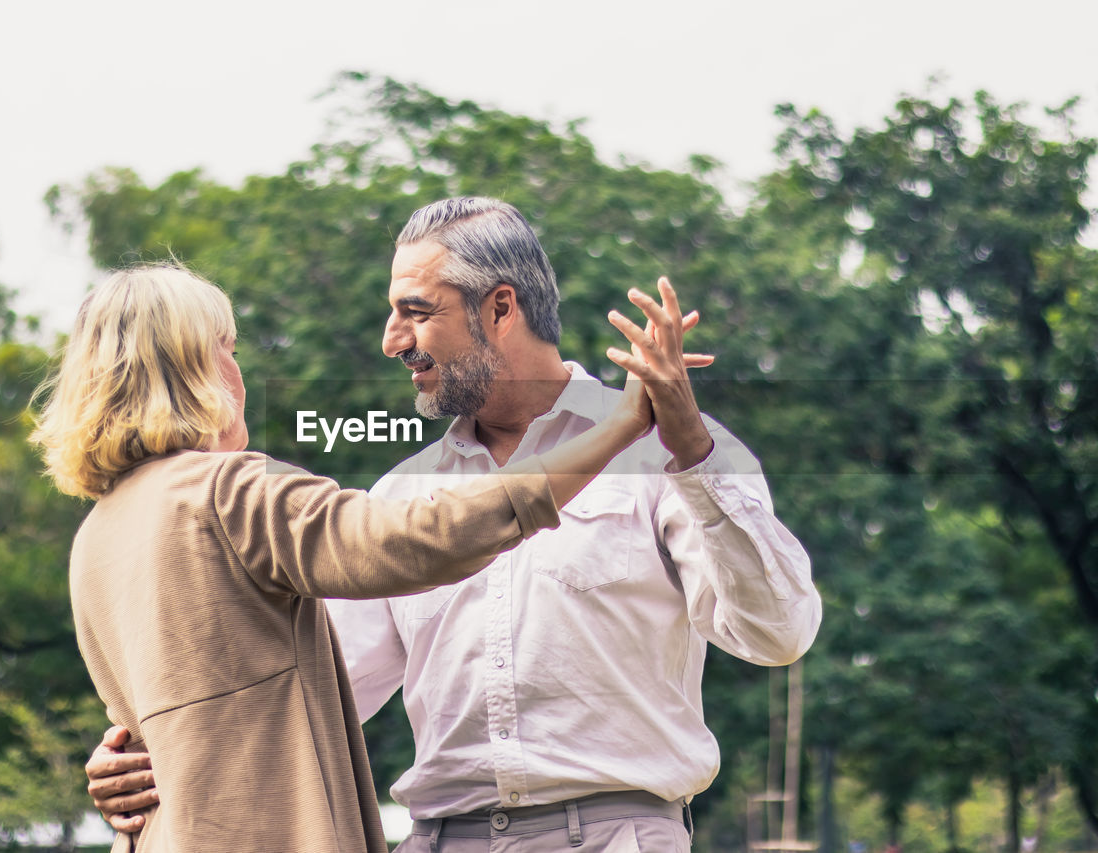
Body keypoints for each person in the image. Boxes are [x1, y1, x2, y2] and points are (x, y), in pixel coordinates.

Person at [87, 198, 822, 852]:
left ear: (499, 309)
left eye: (415, 310)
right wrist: (148, 747)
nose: (390, 339)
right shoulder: (401, 497)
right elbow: (308, 682)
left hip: (617, 835)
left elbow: (777, 632)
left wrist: (690, 449)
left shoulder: (673, 448)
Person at [30, 262, 663, 853]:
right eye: (228, 348)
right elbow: (421, 539)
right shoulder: (229, 492)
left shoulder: (97, 536)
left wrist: (110, 759)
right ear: (191, 368)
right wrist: (617, 428)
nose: (238, 371)